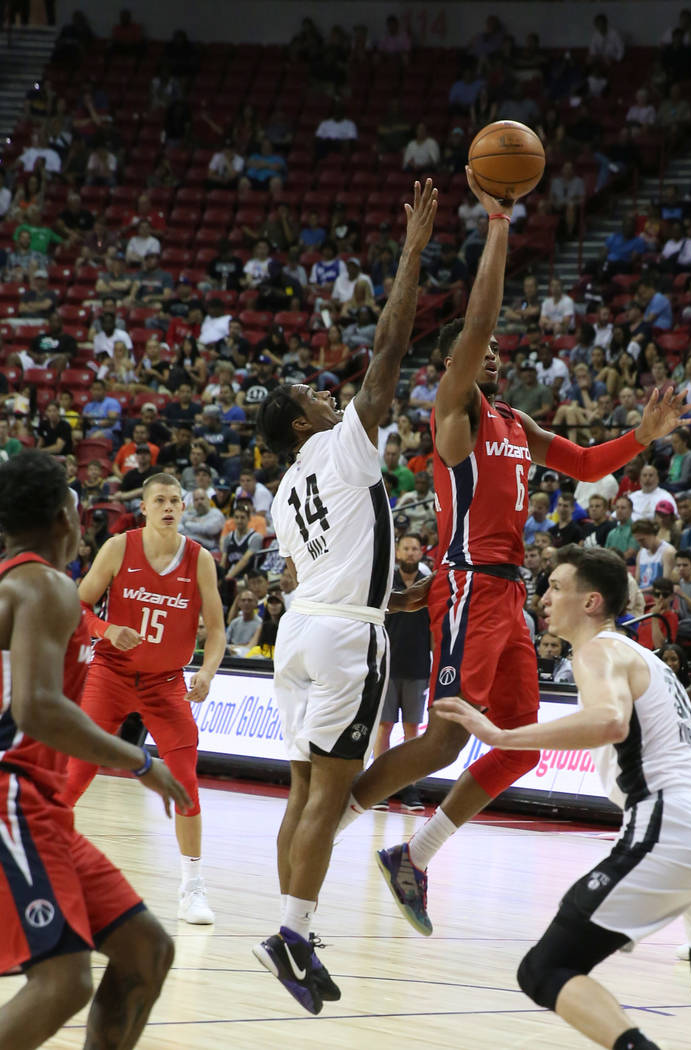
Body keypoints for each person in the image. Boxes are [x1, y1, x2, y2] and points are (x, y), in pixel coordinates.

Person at [336, 166, 690, 939]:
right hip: (465, 585)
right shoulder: (451, 420)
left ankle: (414, 857)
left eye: (496, 349)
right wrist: (497, 225)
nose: (488, 351)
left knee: (520, 743)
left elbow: (592, 466)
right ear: (458, 363)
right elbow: (475, 322)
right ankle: (337, 812)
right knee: (444, 738)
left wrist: (645, 437)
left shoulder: (515, 424)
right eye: (476, 348)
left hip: (508, 597)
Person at [434, 546, 691, 1050]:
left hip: (675, 823)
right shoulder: (643, 657)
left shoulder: (599, 651)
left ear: (592, 601)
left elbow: (609, 720)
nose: (544, 597)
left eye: (557, 588)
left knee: (545, 968)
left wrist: (501, 737)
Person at [250, 180, 438, 1015]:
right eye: (314, 398)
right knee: (330, 795)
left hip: (299, 633)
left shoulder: (285, 489)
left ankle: (290, 927)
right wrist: (409, 253)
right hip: (344, 639)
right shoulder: (338, 445)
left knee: (303, 794)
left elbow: (318, 562)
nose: (330, 395)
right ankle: (291, 933)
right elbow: (390, 349)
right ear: (302, 423)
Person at [0, 451, 190, 1050]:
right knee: (63, 982)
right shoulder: (43, 586)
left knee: (146, 950)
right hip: (13, 798)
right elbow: (36, 707)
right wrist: (141, 761)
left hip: (43, 806)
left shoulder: (28, 584)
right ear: (66, 515)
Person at [58, 474, 226, 925]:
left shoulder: (200, 559)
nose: (169, 506)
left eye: (175, 500)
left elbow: (217, 629)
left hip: (166, 682)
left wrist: (207, 672)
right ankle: (36, 865)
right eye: (160, 500)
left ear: (183, 508)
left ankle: (192, 888)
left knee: (186, 781)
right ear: (145, 508)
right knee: (74, 775)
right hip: (110, 674)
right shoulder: (118, 548)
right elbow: (78, 604)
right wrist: (108, 629)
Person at [373, 533, 432, 813]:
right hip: (387, 665)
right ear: (397, 552)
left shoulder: (429, 582)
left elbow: (436, 627)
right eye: (406, 548)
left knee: (412, 730)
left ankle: (410, 788)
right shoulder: (386, 580)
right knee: (384, 727)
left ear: (421, 553)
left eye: (415, 549)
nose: (410, 553)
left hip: (418, 666)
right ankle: (379, 787)